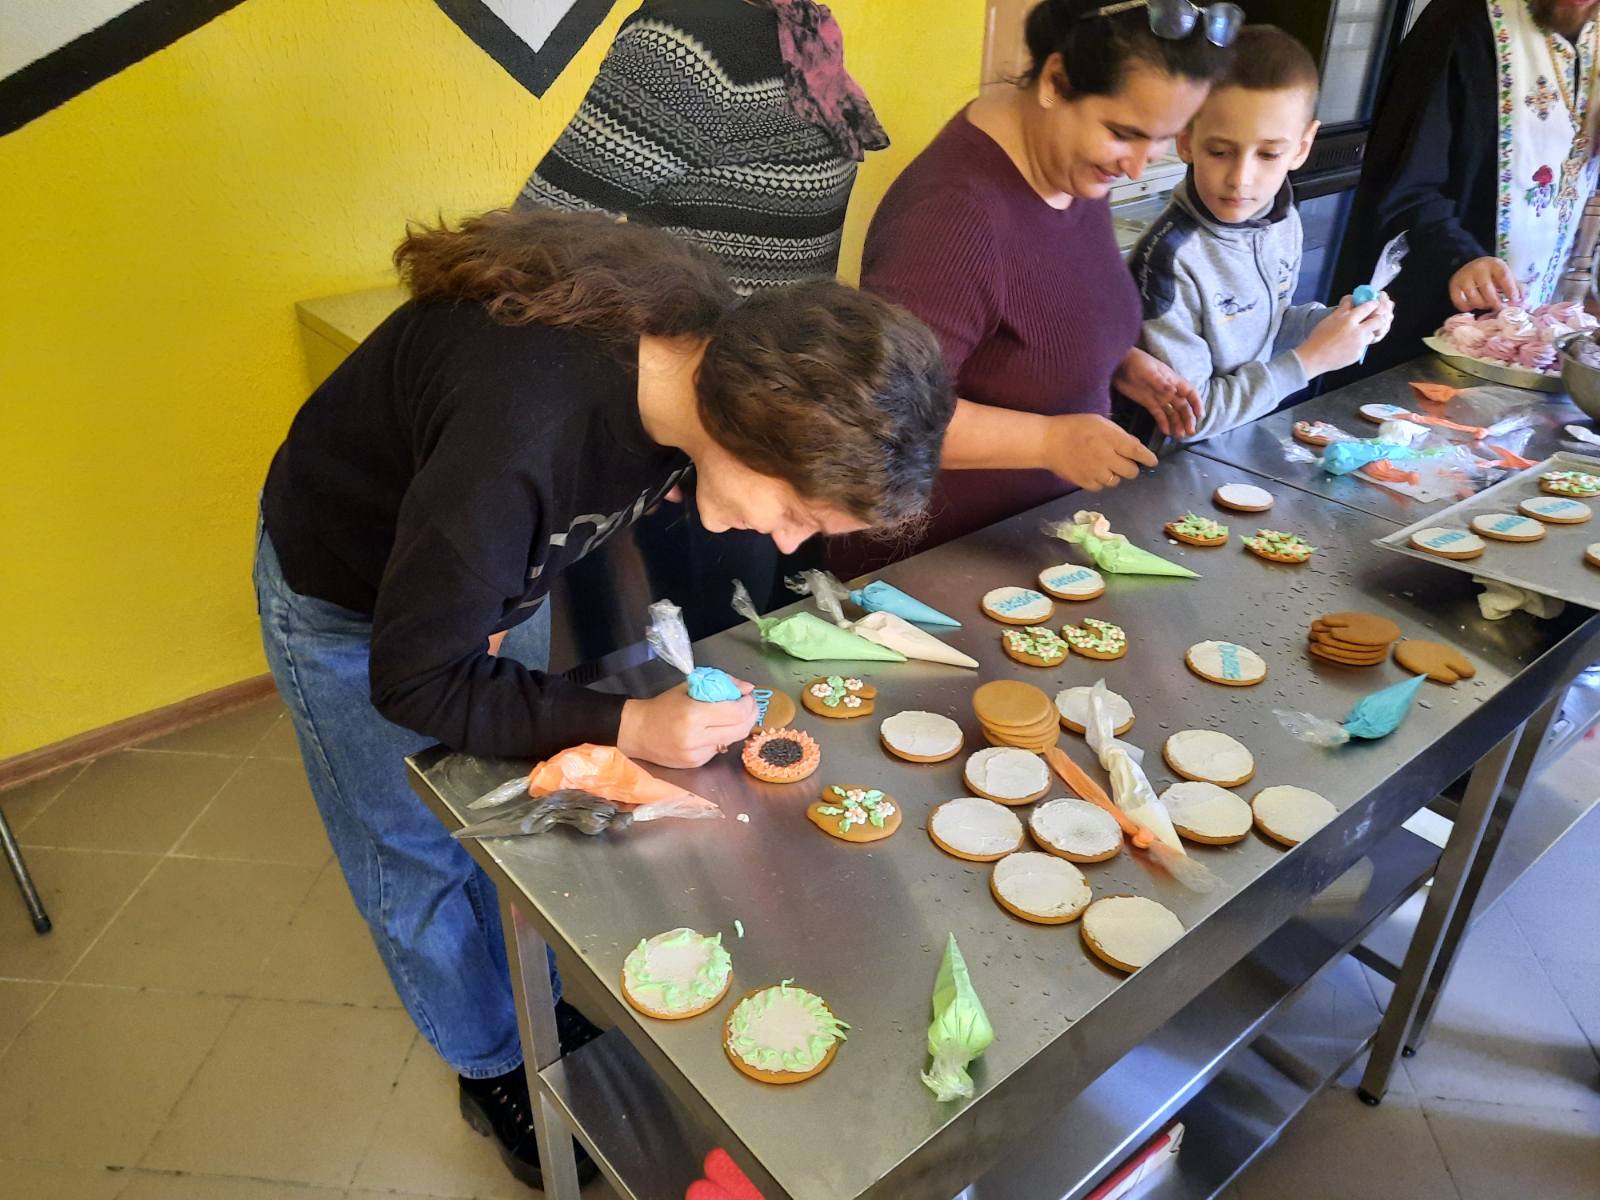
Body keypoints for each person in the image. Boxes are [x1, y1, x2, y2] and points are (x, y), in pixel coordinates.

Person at [254, 209, 951, 1189]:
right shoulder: (522, 437)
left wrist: (501, 613)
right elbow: (412, 677)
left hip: (470, 566)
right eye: (796, 513)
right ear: (752, 427)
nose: (791, 543)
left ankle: (531, 1003)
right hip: (351, 598)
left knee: (512, 805)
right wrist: (630, 721)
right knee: (412, 851)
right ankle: (492, 1065)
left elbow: (535, 547)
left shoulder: (699, 361)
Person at [516, 0, 891, 631]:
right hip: (706, 430)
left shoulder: (800, 31)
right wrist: (658, 415)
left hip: (779, 420)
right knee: (713, 647)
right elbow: (533, 244)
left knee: (763, 635)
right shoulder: (684, 47)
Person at [841, 0, 1235, 574]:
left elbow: (1032, 310)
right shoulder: (950, 216)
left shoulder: (1065, 162)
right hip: (931, 567)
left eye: (1163, 139)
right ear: (1055, 81)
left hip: (1035, 543)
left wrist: (1111, 360)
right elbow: (888, 421)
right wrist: (1049, 442)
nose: (1136, 166)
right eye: (1124, 134)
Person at [1129, 25, 1396, 442]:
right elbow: (1190, 419)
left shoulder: (1280, 220)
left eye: (1269, 154)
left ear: (1302, 148)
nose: (1241, 178)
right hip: (1171, 465)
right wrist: (1310, 361)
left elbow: (1267, 326)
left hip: (1242, 439)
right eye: (1220, 151)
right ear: (1185, 140)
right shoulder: (1169, 260)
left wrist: (1338, 325)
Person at [1333, 0, 1600, 376]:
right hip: (1428, 329)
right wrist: (1461, 258)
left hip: (1537, 339)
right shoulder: (1457, 23)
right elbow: (1402, 185)